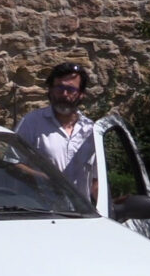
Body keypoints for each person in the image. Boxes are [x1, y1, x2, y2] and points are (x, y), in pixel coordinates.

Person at [15, 62, 97, 201]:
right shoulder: (32, 123)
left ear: (81, 94)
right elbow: (13, 164)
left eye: (70, 89)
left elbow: (96, 180)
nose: (64, 94)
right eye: (59, 88)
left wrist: (107, 209)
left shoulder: (90, 130)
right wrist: (44, 179)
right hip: (43, 212)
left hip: (82, 215)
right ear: (50, 90)